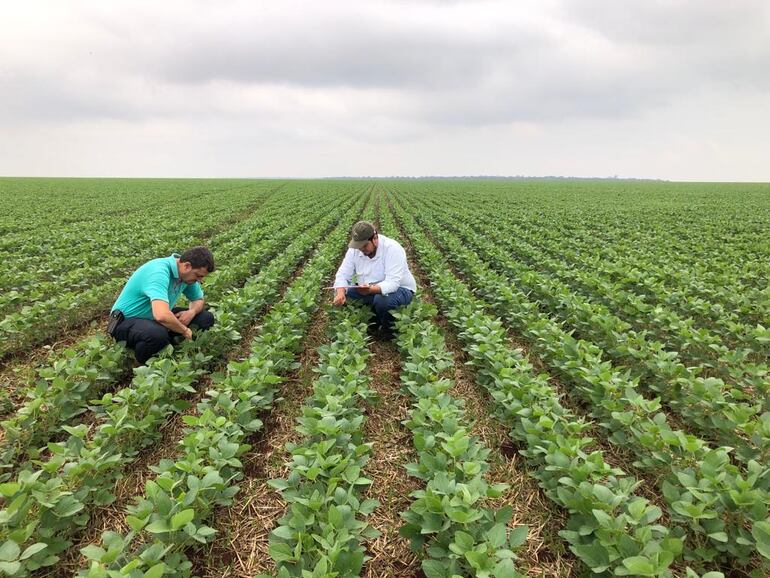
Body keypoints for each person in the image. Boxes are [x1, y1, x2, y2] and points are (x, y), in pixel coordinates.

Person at [108, 246, 216, 364]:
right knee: (157, 334)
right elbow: (162, 316)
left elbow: (198, 300)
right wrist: (184, 330)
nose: (200, 280)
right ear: (187, 266)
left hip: (154, 320)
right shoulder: (158, 271)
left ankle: (167, 348)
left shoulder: (186, 276)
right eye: (198, 276)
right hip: (124, 322)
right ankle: (142, 363)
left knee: (205, 318)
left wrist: (191, 313)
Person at [332, 221, 416, 339]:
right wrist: (340, 293)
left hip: (400, 289)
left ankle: (388, 331)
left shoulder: (392, 248)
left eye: (365, 245)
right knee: (345, 293)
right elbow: (343, 274)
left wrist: (371, 290)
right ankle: (372, 320)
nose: (361, 249)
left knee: (383, 300)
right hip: (368, 289)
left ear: (375, 238)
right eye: (358, 246)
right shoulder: (355, 250)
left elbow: (393, 283)